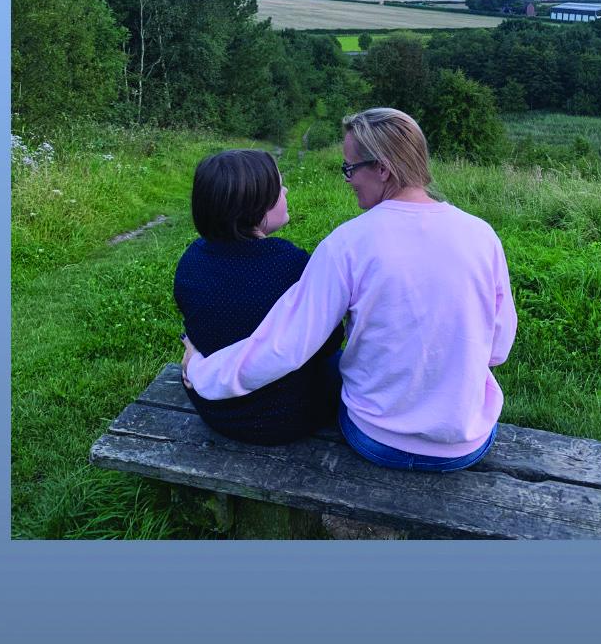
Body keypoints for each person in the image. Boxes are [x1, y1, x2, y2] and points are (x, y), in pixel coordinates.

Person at [182, 109, 517, 471]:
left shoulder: (347, 244)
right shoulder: (482, 236)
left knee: (340, 365)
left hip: (374, 438)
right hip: (465, 445)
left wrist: (202, 371)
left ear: (383, 169)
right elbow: (497, 349)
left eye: (350, 168)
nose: (347, 179)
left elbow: (286, 346)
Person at [174, 149, 343, 445]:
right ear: (255, 207)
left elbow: (198, 326)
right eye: (278, 187)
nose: (286, 190)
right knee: (344, 363)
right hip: (289, 417)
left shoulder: (191, 260)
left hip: (217, 410)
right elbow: (327, 341)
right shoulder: (290, 264)